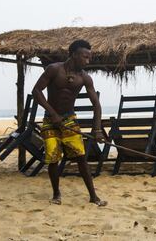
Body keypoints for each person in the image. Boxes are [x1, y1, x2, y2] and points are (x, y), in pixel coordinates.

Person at [32, 39, 107, 206]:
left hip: (69, 119)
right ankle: (56, 194)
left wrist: (97, 130)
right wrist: (53, 114)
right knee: (52, 156)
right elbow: (36, 91)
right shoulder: (53, 69)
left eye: (89, 58)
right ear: (73, 55)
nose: (87, 61)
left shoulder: (85, 78)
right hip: (50, 120)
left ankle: (93, 196)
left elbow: (96, 105)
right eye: (84, 57)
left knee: (80, 157)